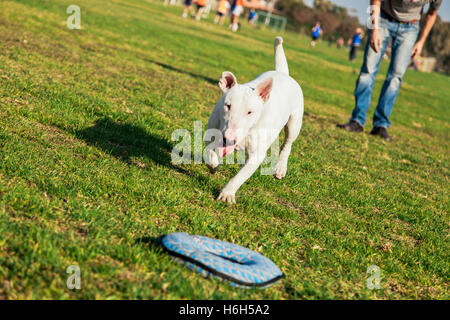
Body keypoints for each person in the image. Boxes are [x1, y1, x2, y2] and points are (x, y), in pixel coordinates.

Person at [337, 0, 442, 142]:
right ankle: (357, 120)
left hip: (410, 28)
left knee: (396, 77)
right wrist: (374, 30)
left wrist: (421, 41)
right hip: (383, 19)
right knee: (368, 70)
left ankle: (380, 125)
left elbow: (432, 13)